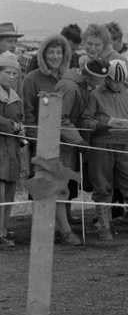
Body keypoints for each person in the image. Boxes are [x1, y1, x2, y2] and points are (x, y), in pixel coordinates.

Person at [20, 34, 83, 244]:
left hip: (65, 143)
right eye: (51, 52)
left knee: (63, 185)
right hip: (43, 144)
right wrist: (34, 143)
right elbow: (28, 115)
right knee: (46, 186)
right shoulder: (32, 79)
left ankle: (59, 228)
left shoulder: (68, 77)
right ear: (42, 55)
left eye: (59, 52)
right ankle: (62, 231)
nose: (55, 56)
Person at [80, 58, 128, 244]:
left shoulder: (127, 93)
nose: (118, 85)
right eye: (114, 81)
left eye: (121, 81)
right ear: (106, 79)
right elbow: (85, 120)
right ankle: (104, 227)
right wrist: (99, 126)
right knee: (102, 186)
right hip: (101, 144)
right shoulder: (94, 95)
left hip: (125, 144)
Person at [0, 51, 26, 247]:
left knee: (9, 192)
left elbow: (19, 118)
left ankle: (3, 231)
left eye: (14, 74)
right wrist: (11, 125)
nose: (11, 77)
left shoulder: (15, 96)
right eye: (7, 73)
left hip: (12, 151)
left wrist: (20, 127)